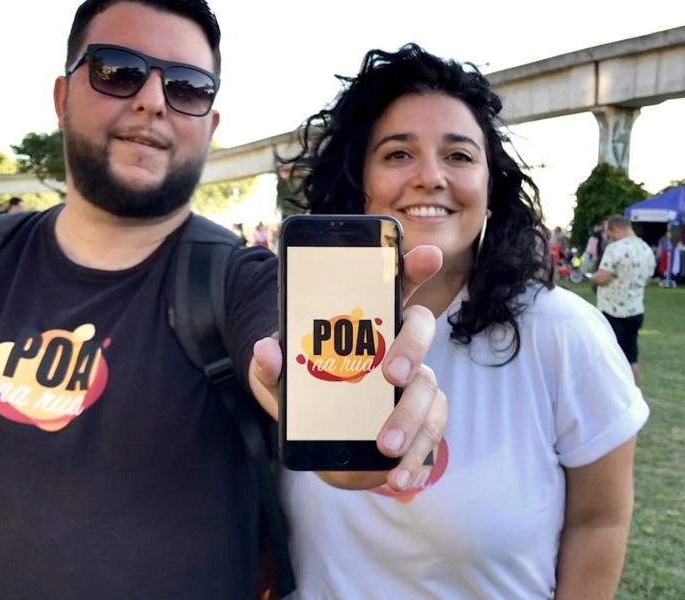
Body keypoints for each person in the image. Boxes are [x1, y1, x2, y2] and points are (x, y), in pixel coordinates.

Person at [0, 3, 447, 600]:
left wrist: (367, 408)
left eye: (187, 87)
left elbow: (303, 394)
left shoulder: (239, 282)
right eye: (117, 71)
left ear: (209, 123)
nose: (153, 99)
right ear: (61, 96)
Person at [278, 44, 649, 599]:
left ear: (491, 187)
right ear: (361, 182)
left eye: (459, 156)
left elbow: (600, 522)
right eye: (398, 154)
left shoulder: (564, 334)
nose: (430, 177)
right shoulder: (304, 324)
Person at [590, 215, 656, 384]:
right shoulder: (646, 249)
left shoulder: (615, 249)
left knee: (611, 355)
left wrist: (593, 278)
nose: (609, 237)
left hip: (612, 311)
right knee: (631, 355)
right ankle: (634, 391)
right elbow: (647, 280)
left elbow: (603, 277)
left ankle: (612, 390)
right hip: (635, 311)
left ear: (615, 230)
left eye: (609, 234)